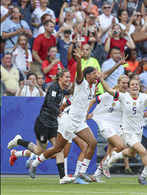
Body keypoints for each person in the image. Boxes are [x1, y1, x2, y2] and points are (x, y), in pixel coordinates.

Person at [28, 48, 100, 182]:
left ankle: (82, 172)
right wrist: (79, 59)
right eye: (95, 73)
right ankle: (35, 163)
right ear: (88, 75)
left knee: (93, 142)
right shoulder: (82, 83)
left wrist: (118, 64)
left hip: (79, 122)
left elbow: (104, 74)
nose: (98, 76)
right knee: (58, 148)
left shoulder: (92, 86)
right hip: (70, 120)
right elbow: (80, 73)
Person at [7, 68, 74, 184]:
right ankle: (19, 141)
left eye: (69, 77)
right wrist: (59, 113)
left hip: (53, 124)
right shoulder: (54, 87)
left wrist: (81, 84)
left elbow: (72, 91)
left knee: (59, 149)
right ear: (61, 78)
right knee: (39, 151)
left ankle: (63, 177)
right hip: (43, 123)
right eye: (67, 77)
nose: (69, 79)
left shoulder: (63, 90)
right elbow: (49, 103)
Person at [86, 75, 130, 182]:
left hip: (117, 127)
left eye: (126, 83)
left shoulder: (127, 97)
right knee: (121, 146)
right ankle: (105, 165)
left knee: (109, 153)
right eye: (123, 83)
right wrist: (87, 114)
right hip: (106, 125)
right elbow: (93, 100)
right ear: (118, 83)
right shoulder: (110, 94)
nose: (125, 85)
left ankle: (96, 175)